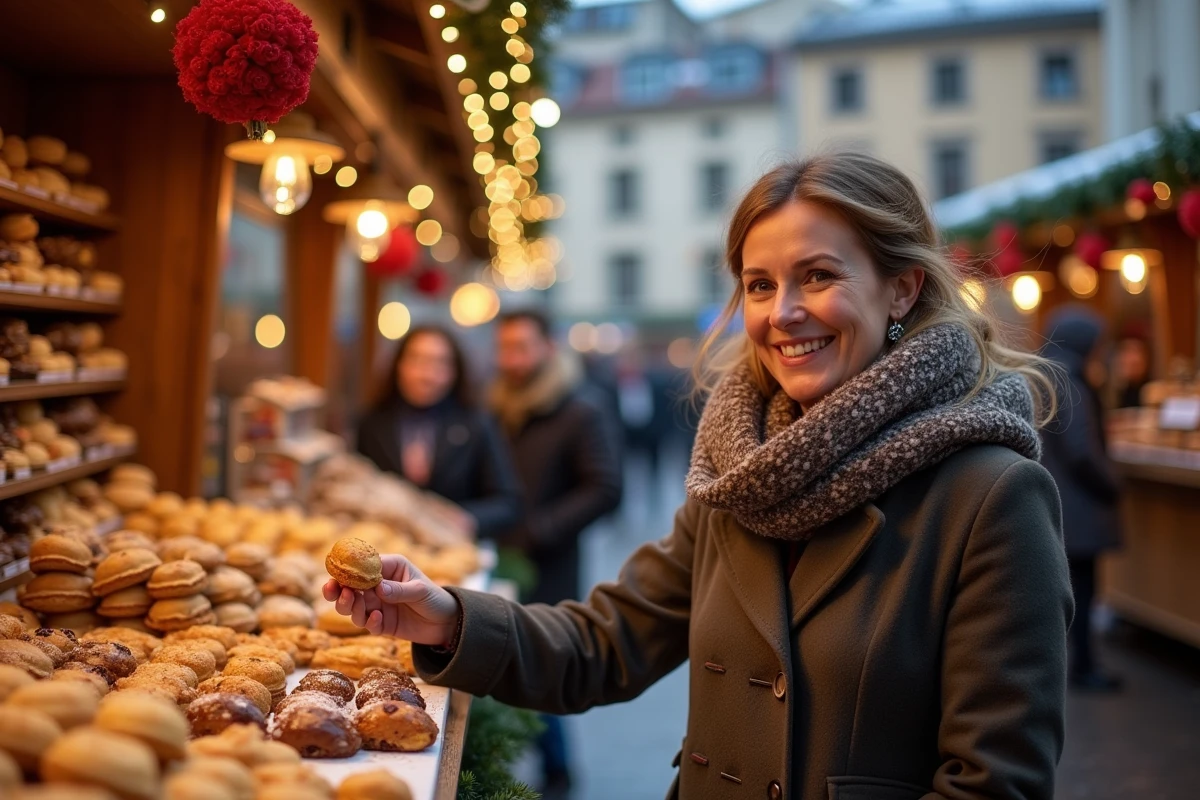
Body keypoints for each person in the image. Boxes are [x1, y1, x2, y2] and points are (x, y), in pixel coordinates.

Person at [326, 153, 1073, 800]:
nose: (783, 313)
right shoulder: (740, 481)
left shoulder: (990, 495)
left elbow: (993, 781)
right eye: (758, 284)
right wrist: (447, 617)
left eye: (817, 276)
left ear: (902, 289)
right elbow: (605, 643)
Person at [488, 309, 623, 797]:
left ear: (548, 347)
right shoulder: (498, 404)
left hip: (550, 563)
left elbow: (606, 488)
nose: (513, 359)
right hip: (498, 556)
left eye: (522, 347)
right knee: (503, 660)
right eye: (505, 348)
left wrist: (539, 529)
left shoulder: (579, 408)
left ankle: (559, 773)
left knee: (541, 664)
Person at [356, 325, 521, 540]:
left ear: (455, 372)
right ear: (399, 365)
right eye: (417, 360)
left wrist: (468, 518)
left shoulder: (476, 424)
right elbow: (357, 483)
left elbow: (509, 502)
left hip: (451, 545)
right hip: (384, 544)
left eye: (440, 363)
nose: (427, 374)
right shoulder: (373, 422)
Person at [1040, 307, 1123, 692]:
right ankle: (1084, 668)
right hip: (1079, 508)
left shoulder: (1044, 376)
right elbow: (1081, 451)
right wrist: (1112, 484)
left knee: (1067, 593)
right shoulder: (1070, 381)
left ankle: (1072, 666)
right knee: (1083, 593)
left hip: (1059, 505)